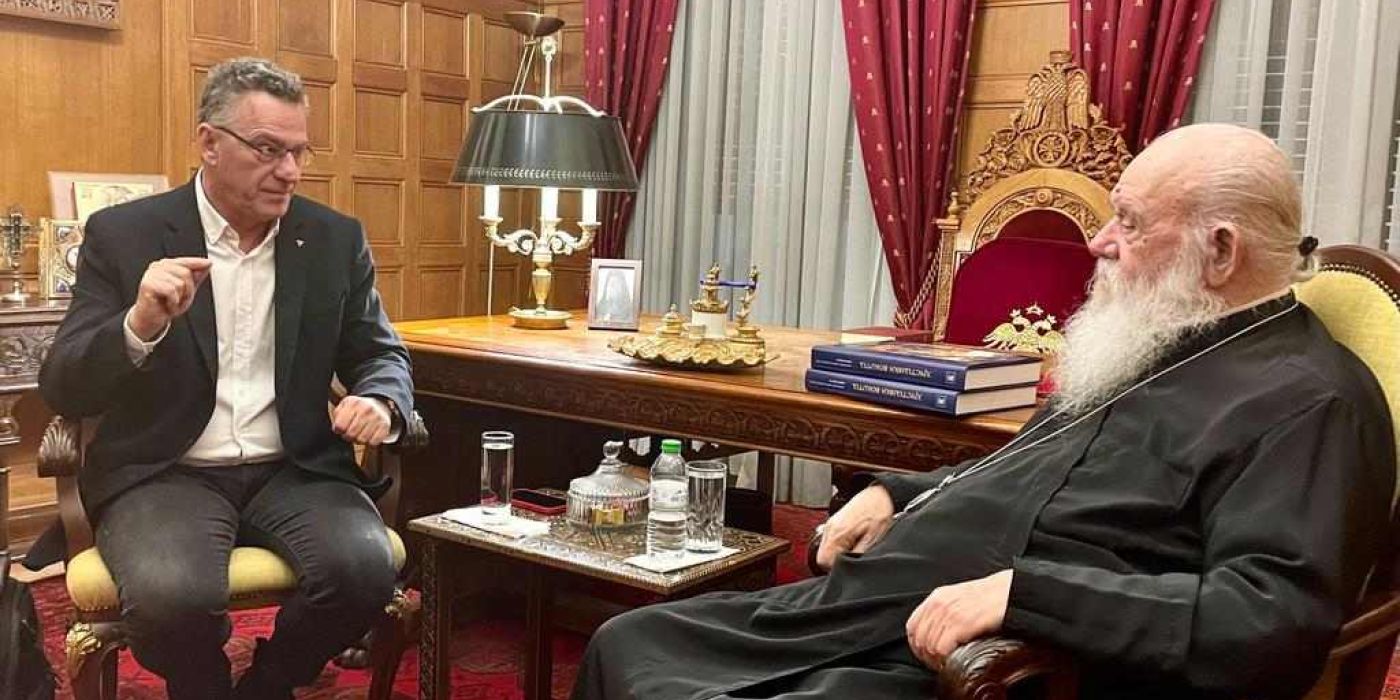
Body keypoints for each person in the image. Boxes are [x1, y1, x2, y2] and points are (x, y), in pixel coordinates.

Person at [569, 123, 1396, 699]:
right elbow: (1020, 469)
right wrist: (897, 491)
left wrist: (1026, 596)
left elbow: (1268, 621)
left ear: (1219, 251)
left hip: (998, 662)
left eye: (1129, 222)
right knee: (631, 641)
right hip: (880, 604)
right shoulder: (1155, 340)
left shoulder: (1310, 402)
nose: (1100, 242)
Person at [39, 57, 413, 700]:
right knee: (170, 597)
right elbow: (64, 385)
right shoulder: (125, 234)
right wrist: (138, 325)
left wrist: (381, 398)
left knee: (364, 570)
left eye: (298, 152)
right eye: (268, 149)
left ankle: (269, 685)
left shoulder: (333, 239)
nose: (289, 170)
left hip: (294, 468)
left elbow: (380, 352)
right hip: (166, 471)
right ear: (209, 142)